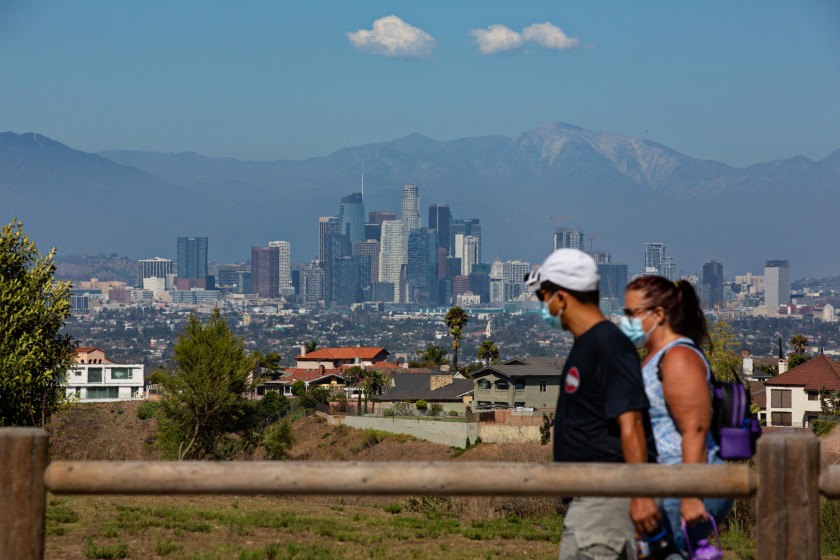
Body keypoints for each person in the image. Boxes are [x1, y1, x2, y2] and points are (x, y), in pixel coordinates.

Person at [526, 249, 660, 560]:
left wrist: (641, 495)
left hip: (605, 505)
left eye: (542, 296)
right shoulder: (587, 344)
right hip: (586, 505)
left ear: (561, 297)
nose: (542, 305)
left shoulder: (608, 345)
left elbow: (632, 422)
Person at [621, 276, 734, 556]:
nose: (625, 321)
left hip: (683, 481)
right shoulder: (654, 358)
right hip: (665, 482)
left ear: (658, 314)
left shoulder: (678, 357)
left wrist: (690, 493)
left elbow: (694, 428)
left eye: (631, 313)